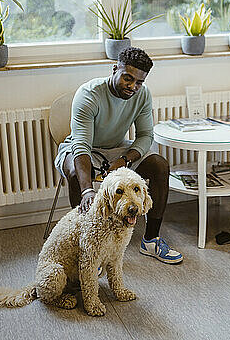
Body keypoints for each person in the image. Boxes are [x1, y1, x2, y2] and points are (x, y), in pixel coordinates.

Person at [54, 47, 183, 263]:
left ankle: (151, 240)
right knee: (76, 174)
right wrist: (88, 191)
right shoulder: (89, 94)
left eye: (139, 82)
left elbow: (145, 135)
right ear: (115, 69)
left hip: (118, 149)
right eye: (128, 78)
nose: (133, 86)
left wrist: (124, 160)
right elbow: (81, 145)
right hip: (83, 149)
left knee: (159, 165)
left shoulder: (142, 95)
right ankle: (87, 248)